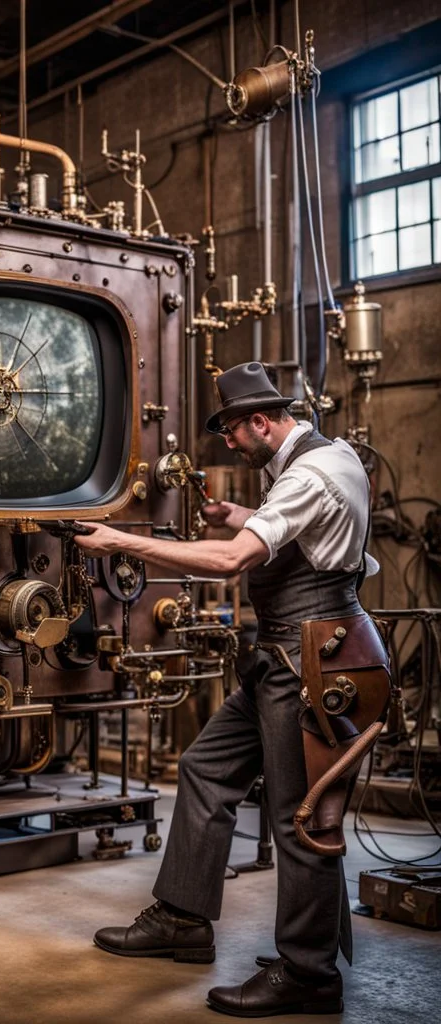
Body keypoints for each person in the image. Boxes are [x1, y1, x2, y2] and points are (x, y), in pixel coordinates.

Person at [75, 362, 378, 1017]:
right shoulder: (321, 458)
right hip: (283, 657)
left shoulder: (309, 473)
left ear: (262, 422)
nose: (231, 447)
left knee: (300, 818)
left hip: (309, 666)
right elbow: (308, 531)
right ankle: (183, 916)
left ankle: (309, 974)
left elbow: (229, 561)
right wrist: (239, 512)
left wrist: (121, 542)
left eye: (236, 435)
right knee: (206, 767)